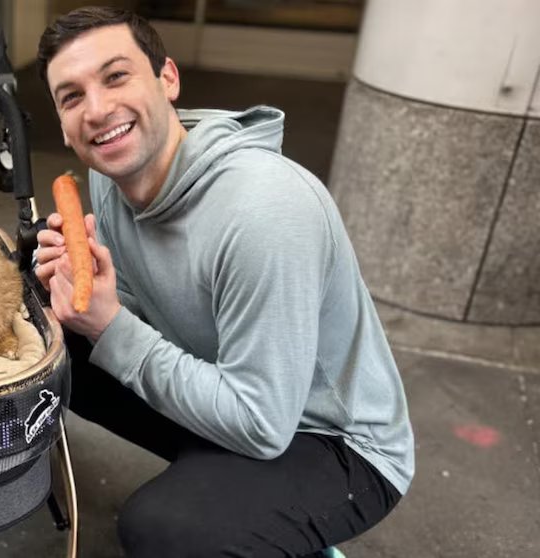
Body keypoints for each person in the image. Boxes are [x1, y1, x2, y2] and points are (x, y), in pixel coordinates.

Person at [33, 7, 414, 558]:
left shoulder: (264, 211)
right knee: (54, 333)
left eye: (117, 77)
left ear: (167, 79)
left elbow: (262, 424)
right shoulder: (108, 179)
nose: (97, 110)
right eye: (71, 97)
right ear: (64, 125)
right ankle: (233, 493)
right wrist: (87, 283)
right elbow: (157, 300)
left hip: (334, 441)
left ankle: (270, 525)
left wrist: (112, 326)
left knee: (168, 529)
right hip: (225, 383)